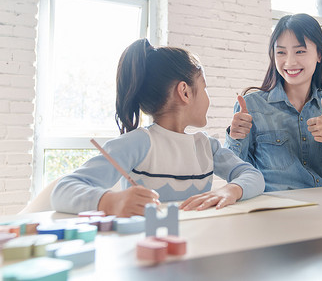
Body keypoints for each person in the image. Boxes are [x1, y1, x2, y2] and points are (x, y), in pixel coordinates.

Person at [51, 39, 265, 217]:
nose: (208, 97)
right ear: (185, 92)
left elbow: (253, 176)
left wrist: (232, 189)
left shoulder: (206, 146)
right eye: (205, 88)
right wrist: (111, 202)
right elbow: (63, 190)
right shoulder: (139, 142)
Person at [225, 13, 322, 191]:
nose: (290, 62)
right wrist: (235, 137)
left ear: (320, 54)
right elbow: (235, 175)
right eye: (281, 52)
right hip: (275, 212)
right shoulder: (251, 107)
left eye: (300, 51)